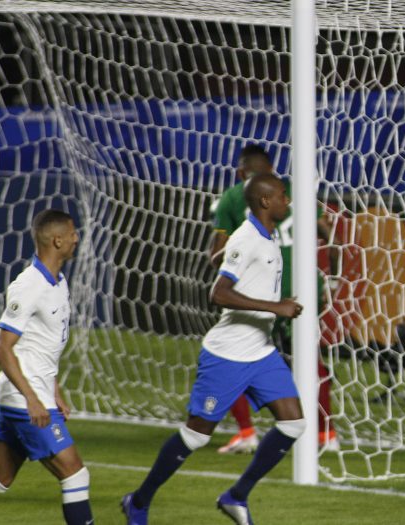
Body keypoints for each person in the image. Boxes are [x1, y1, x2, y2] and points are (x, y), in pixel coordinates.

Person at [122, 173, 306, 525]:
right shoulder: (248, 238)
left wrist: (229, 256)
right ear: (265, 201)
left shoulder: (263, 235)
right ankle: (139, 501)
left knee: (293, 423)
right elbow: (218, 294)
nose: (288, 201)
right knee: (195, 436)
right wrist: (276, 307)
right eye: (283, 195)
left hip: (261, 352)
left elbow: (226, 259)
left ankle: (236, 496)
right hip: (227, 355)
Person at [0, 209, 93, 525]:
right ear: (57, 240)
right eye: (72, 233)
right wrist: (33, 398)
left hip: (30, 395)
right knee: (75, 474)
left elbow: (44, 345)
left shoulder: (58, 282)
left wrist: (55, 390)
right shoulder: (29, 285)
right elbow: (2, 348)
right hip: (25, 399)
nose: (76, 238)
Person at [210, 144, 336, 454]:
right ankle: (326, 434)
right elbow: (327, 234)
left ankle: (246, 432)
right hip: (303, 291)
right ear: (271, 170)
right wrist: (331, 278)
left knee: (231, 359)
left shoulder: (232, 198)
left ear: (241, 173)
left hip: (257, 294)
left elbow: (217, 253)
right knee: (311, 361)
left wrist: (233, 261)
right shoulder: (292, 192)